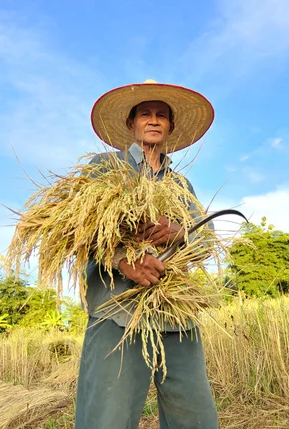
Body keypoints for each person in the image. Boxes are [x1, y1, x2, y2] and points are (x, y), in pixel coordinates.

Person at [74, 80, 219, 429]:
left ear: (170, 126)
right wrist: (124, 260)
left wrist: (180, 233)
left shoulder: (181, 185)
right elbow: (76, 230)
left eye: (161, 115)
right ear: (131, 124)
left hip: (176, 315)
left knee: (196, 417)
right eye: (145, 114)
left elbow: (207, 240)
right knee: (105, 418)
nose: (153, 120)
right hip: (118, 312)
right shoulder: (105, 167)